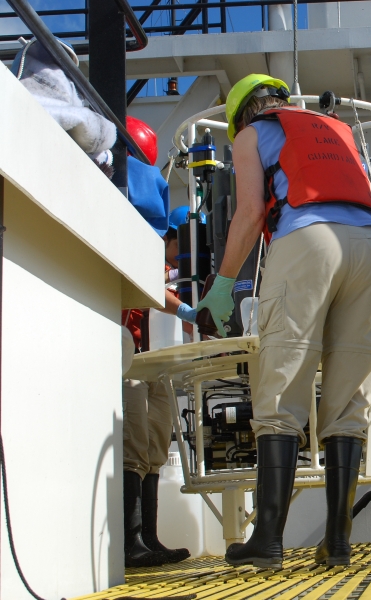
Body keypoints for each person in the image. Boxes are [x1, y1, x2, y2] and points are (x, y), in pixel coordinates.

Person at [196, 74, 371, 569]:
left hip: (307, 242)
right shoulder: (337, 129)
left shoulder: (250, 134)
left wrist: (221, 285)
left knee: (282, 387)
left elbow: (250, 212)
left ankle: (267, 540)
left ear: (245, 112)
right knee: (349, 395)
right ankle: (339, 543)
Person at [121, 120, 198, 568]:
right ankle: (133, 543)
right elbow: (145, 281)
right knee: (135, 441)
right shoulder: (135, 237)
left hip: (156, 359)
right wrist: (186, 310)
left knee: (153, 443)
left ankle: (149, 538)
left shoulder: (163, 256)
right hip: (131, 350)